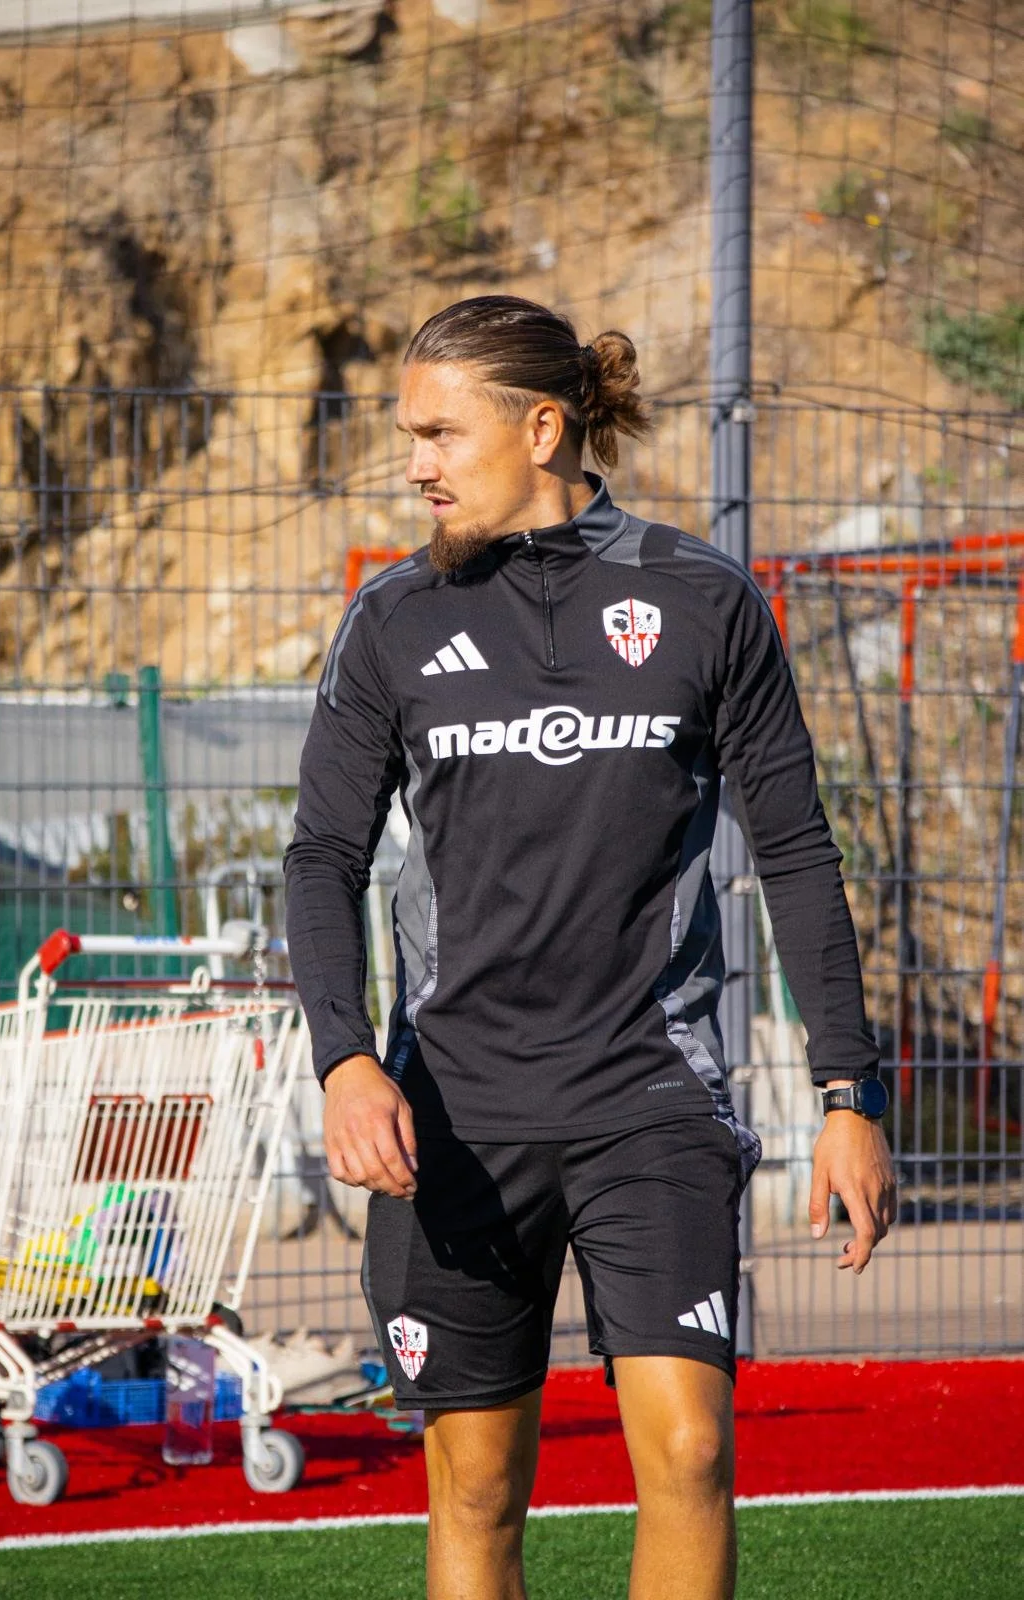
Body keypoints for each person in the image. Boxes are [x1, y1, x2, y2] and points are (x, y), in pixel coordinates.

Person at [283, 295, 897, 1600]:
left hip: (647, 1097)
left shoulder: (702, 600)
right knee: (476, 1489)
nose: (415, 462)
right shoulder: (389, 623)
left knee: (687, 1452)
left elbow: (794, 850)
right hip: (452, 1116)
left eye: (440, 432)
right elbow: (321, 860)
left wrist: (848, 1093)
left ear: (542, 427)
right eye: (409, 434)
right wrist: (344, 1062)